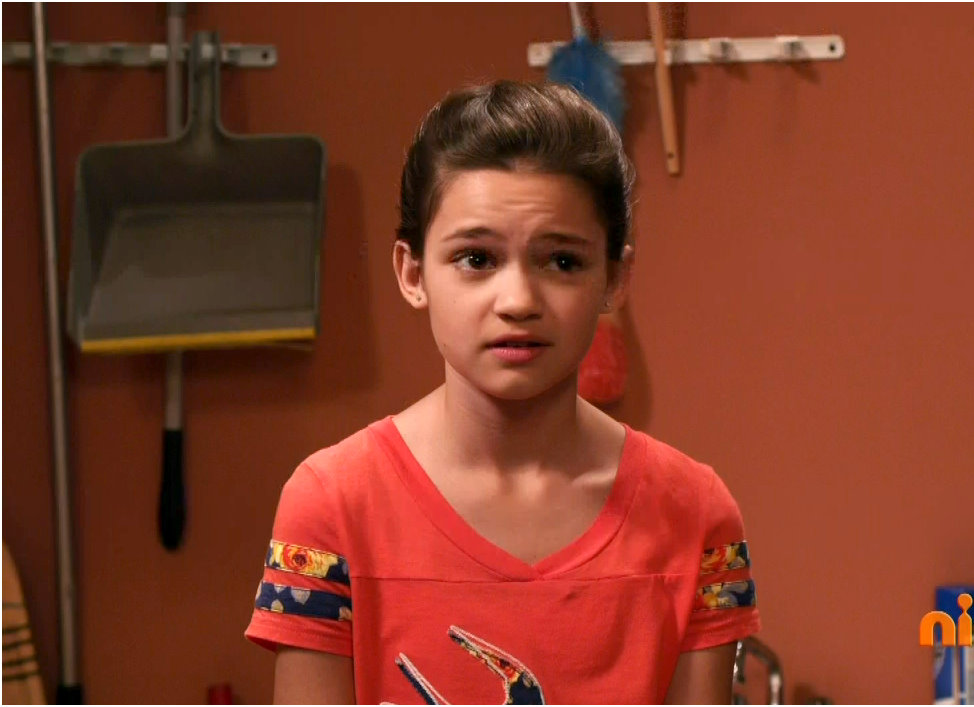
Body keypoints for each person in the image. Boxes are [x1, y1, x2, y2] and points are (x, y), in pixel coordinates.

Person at [245, 80, 760, 704]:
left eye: (562, 262)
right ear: (413, 273)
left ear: (614, 279)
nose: (517, 301)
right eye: (477, 259)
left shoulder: (694, 515)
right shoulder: (331, 504)